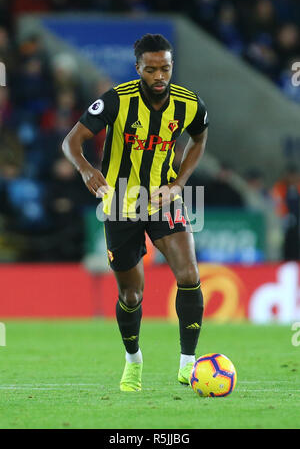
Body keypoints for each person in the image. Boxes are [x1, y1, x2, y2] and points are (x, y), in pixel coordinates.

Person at [62, 33, 209, 391]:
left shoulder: (190, 104)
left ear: (172, 66)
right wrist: (84, 168)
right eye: (151, 69)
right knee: (131, 295)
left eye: (166, 68)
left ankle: (188, 365)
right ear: (138, 69)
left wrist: (178, 183)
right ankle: (133, 361)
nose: (160, 76)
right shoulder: (116, 100)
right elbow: (72, 141)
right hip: (121, 203)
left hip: (162, 199)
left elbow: (199, 139)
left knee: (189, 275)